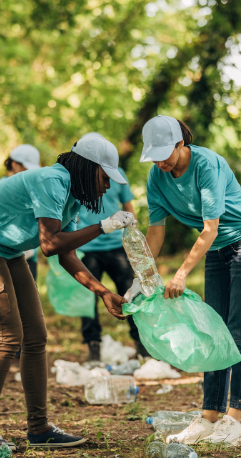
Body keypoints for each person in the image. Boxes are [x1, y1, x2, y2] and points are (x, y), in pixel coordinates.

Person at [0, 135, 135, 454]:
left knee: (35, 336)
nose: (107, 187)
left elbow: (67, 254)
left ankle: (39, 429)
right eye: (105, 178)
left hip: (8, 252)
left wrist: (104, 292)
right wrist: (104, 226)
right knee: (9, 338)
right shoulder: (53, 180)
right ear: (89, 168)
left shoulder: (74, 196)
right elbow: (50, 244)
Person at [138, 115, 241, 447]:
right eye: (154, 155)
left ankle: (234, 421)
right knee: (213, 331)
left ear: (181, 144)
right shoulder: (157, 177)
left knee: (240, 330)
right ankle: (209, 417)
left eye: (165, 152)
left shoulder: (206, 164)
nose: (160, 161)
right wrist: (141, 276)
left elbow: (209, 228)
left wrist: (181, 273)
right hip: (217, 251)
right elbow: (155, 231)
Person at [74, 133, 149, 361]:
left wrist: (133, 234)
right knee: (87, 299)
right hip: (89, 248)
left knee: (132, 295)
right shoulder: (79, 178)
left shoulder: (118, 173)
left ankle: (142, 345)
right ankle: (93, 347)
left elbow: (128, 206)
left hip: (117, 246)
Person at [0, 144, 42, 280]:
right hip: (5, 258)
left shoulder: (31, 186)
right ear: (15, 165)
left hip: (28, 258)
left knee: (30, 300)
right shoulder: (1, 186)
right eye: (27, 168)